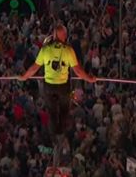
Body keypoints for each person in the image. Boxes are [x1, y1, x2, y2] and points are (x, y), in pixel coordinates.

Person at [18, 24, 96, 164]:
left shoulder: (46, 49)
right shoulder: (68, 50)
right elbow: (77, 71)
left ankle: (56, 136)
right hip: (62, 86)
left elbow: (35, 67)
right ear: (64, 36)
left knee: (53, 112)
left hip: (49, 86)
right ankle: (60, 134)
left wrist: (24, 77)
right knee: (64, 110)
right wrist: (89, 79)